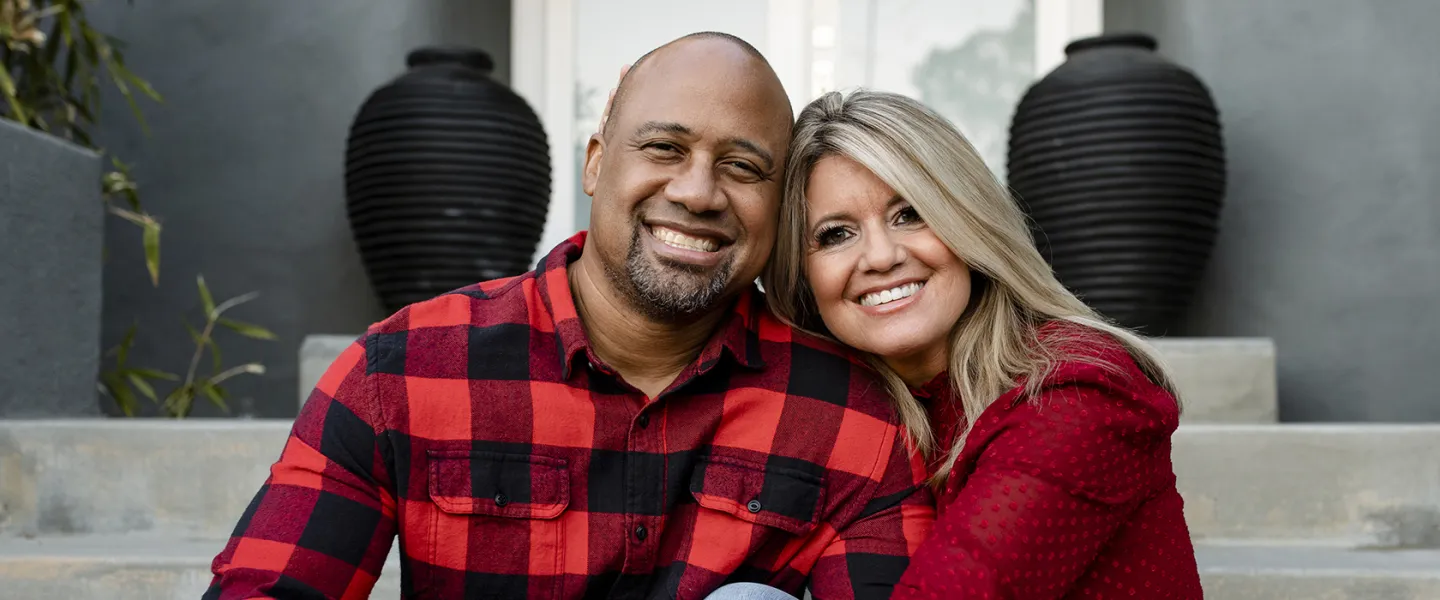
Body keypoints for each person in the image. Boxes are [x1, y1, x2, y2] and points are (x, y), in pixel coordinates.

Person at [202, 34, 933, 600]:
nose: (699, 191)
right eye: (663, 148)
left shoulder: (851, 415)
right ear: (594, 163)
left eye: (743, 167)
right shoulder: (402, 370)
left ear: (778, 208)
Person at [760, 89, 1204, 598]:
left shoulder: (1075, 393)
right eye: (836, 234)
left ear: (967, 220)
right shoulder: (852, 405)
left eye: (910, 213)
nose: (881, 257)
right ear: (802, 278)